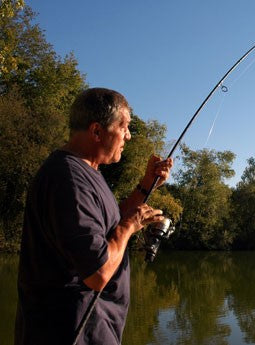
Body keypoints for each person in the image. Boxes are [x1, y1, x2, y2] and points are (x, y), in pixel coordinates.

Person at [14, 88, 173, 345]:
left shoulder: (86, 172)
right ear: (97, 131)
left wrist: (147, 184)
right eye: (124, 127)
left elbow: (110, 224)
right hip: (70, 333)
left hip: (89, 331)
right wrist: (129, 227)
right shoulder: (68, 179)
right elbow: (97, 273)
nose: (129, 136)